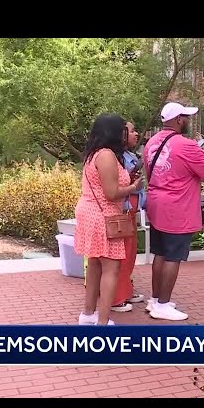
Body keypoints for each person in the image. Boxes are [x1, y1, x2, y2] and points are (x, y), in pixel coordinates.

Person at [143, 102, 204, 321]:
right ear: (178, 119)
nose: (188, 120)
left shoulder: (151, 142)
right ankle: (163, 305)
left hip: (156, 203)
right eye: (186, 117)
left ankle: (155, 299)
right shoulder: (185, 145)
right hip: (176, 208)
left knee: (160, 252)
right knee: (173, 256)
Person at [74, 113, 143, 326]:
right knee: (111, 269)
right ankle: (103, 322)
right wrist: (133, 187)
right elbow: (111, 193)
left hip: (91, 213)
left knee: (94, 265)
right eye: (124, 129)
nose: (126, 133)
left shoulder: (94, 154)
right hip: (102, 215)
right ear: (114, 131)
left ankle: (88, 314)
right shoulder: (106, 155)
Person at [110, 120, 146, 312]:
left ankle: (127, 290)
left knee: (131, 252)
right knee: (122, 252)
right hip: (122, 207)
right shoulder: (114, 158)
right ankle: (117, 297)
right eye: (132, 131)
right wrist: (133, 183)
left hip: (132, 207)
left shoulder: (130, 155)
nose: (136, 134)